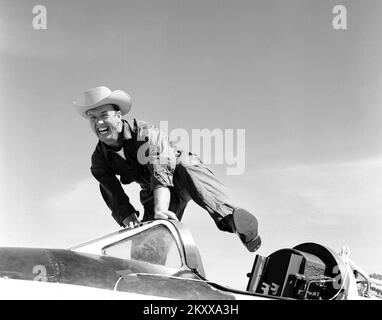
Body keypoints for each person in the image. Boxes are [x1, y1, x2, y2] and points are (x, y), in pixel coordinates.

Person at [74, 86, 261, 252]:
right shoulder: (99, 160)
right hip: (152, 192)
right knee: (145, 245)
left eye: (104, 115)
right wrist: (128, 218)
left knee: (186, 167)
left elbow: (160, 167)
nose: (98, 123)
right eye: (93, 118)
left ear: (118, 115)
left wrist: (161, 209)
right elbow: (113, 194)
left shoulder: (145, 133)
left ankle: (237, 223)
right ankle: (146, 274)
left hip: (180, 176)